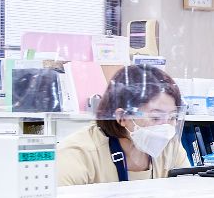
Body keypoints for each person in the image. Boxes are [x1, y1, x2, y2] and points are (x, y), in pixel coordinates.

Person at [57, 63, 188, 185]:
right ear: (122, 117)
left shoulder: (170, 148)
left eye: (172, 117)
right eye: (155, 117)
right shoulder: (78, 154)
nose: (166, 128)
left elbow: (190, 197)